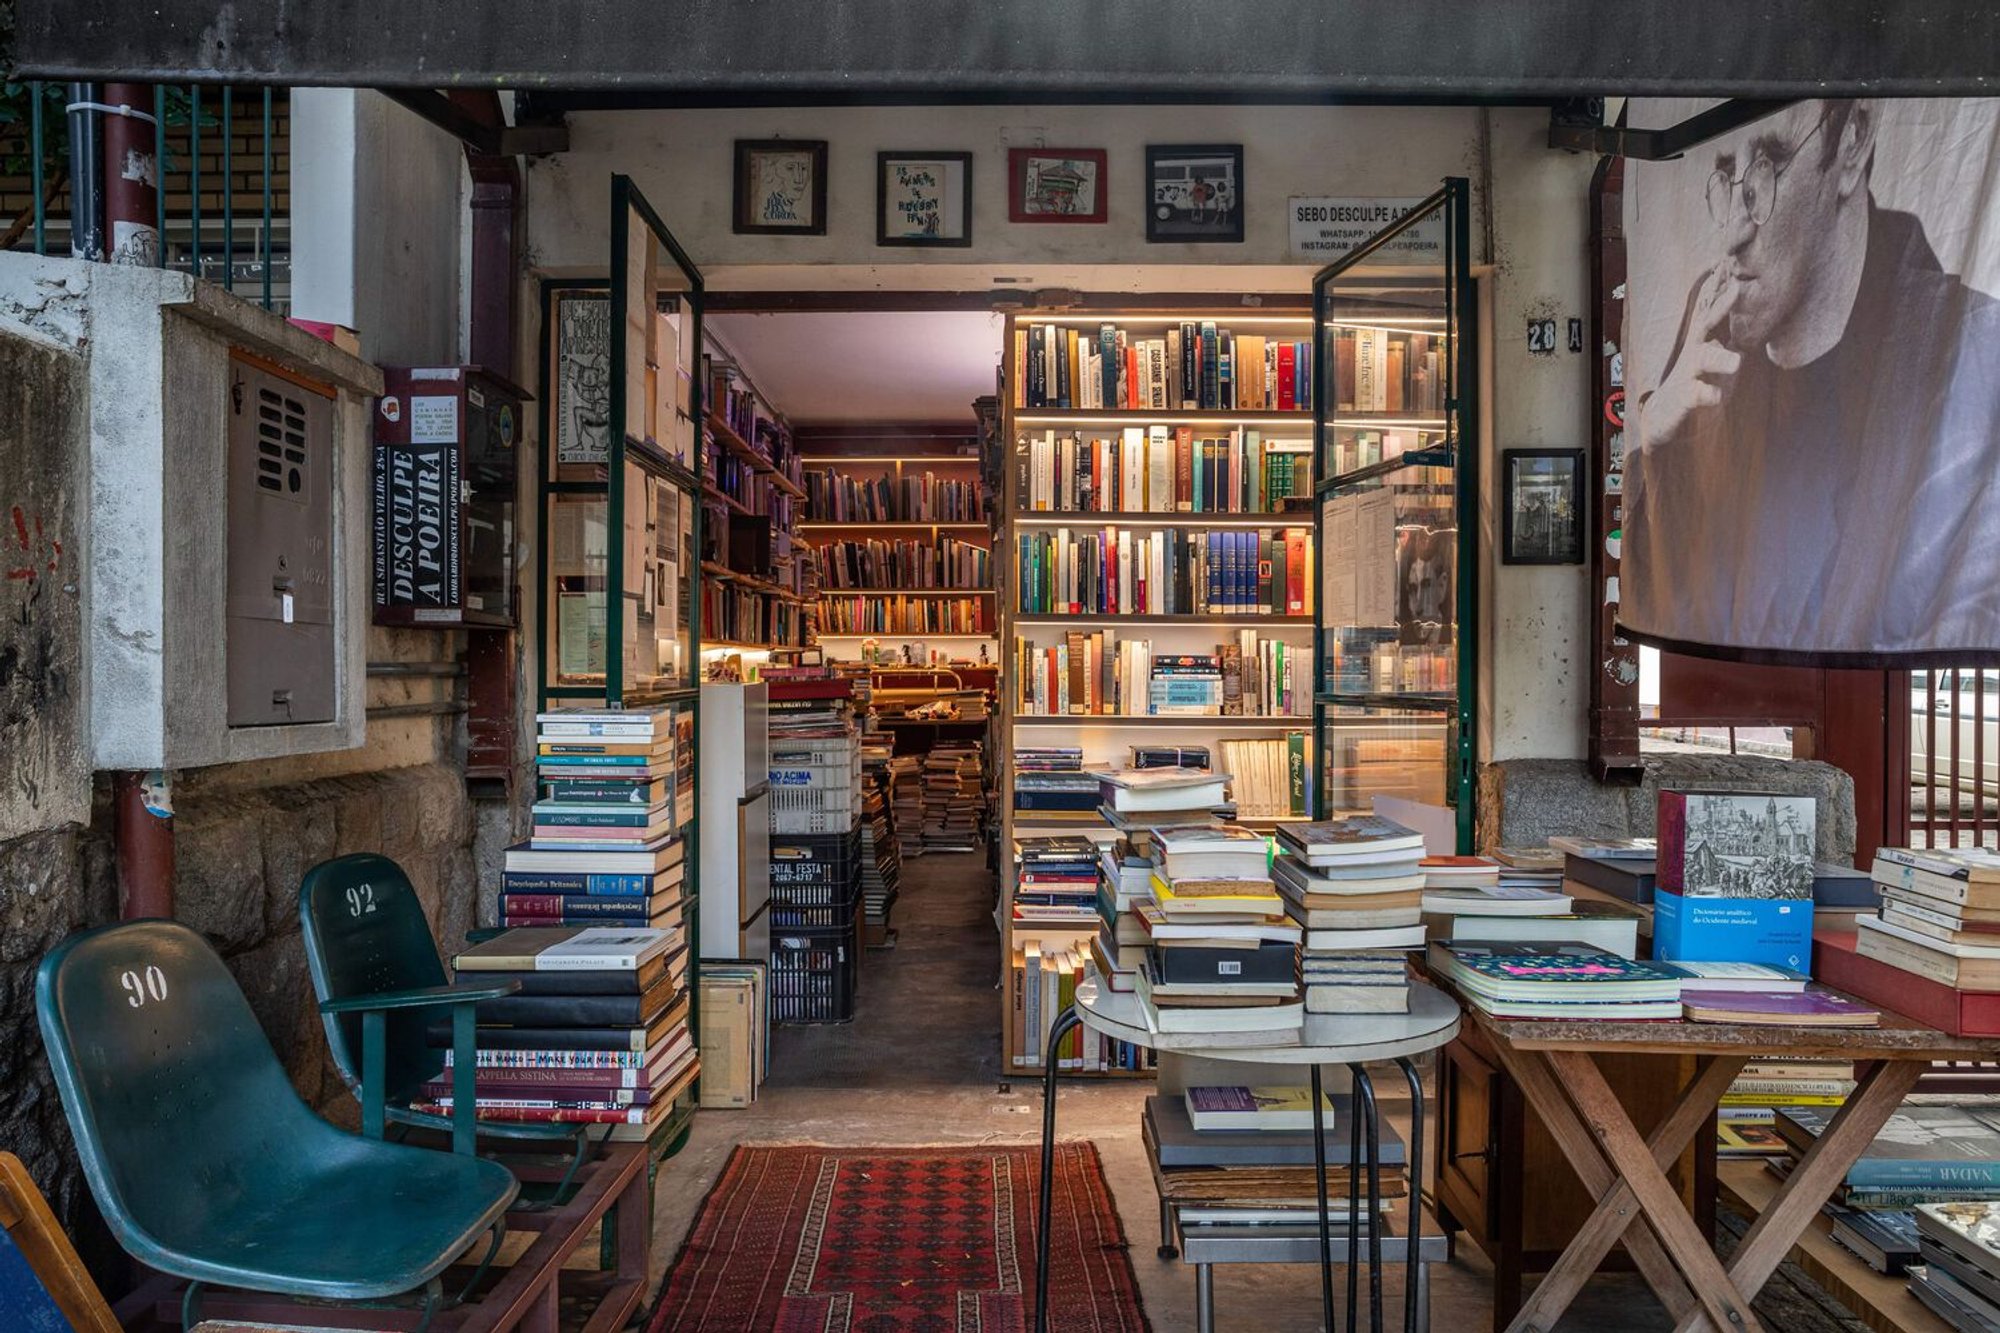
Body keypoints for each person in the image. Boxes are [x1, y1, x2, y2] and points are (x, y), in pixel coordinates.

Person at [1626, 99, 2000, 658]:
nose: (1732, 231)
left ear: (1853, 142)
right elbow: (1652, 588)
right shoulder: (1710, 324)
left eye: (1767, 172)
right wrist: (1655, 440)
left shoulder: (1968, 350)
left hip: (1865, 706)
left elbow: (1964, 608)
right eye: (1727, 178)